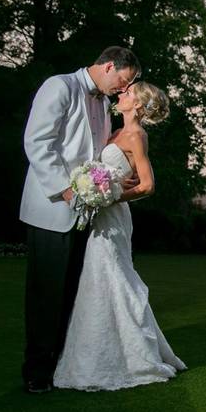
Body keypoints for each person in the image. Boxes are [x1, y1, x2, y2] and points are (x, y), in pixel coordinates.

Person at [19, 46, 141, 394]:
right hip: (52, 209)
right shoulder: (59, 87)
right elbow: (38, 143)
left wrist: (115, 181)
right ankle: (36, 372)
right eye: (123, 79)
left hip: (89, 212)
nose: (123, 88)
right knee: (46, 294)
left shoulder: (103, 103)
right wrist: (66, 190)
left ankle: (61, 363)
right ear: (107, 66)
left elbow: (97, 156)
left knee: (73, 291)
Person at [53, 81, 186, 391]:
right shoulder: (115, 131)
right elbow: (125, 175)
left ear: (137, 105)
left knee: (113, 276)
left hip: (113, 217)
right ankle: (99, 350)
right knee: (97, 278)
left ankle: (133, 356)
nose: (122, 94)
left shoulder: (137, 136)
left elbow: (147, 185)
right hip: (101, 215)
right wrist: (97, 188)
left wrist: (109, 197)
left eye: (128, 93)